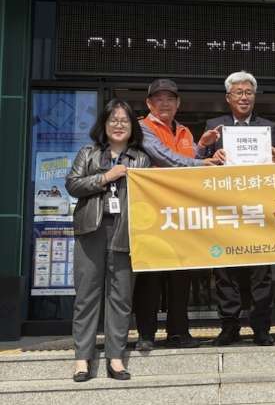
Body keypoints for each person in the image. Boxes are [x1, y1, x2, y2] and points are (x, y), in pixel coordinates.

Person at [65, 99, 152, 382]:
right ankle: (82, 359)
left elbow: (148, 198)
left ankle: (115, 358)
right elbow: (73, 185)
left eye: (124, 120)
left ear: (132, 126)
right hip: (91, 230)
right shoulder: (88, 153)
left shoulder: (141, 159)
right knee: (87, 295)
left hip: (126, 232)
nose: (118, 125)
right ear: (103, 124)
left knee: (121, 297)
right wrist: (105, 178)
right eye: (113, 120)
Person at [134, 79, 221, 351]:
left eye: (170, 98)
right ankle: (146, 334)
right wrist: (200, 162)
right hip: (153, 211)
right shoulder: (142, 127)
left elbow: (186, 160)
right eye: (158, 99)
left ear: (178, 103)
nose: (165, 103)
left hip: (181, 212)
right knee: (150, 275)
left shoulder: (184, 131)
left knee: (181, 274)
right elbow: (164, 158)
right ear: (149, 104)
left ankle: (178, 332)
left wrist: (201, 147)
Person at [199, 71, 275, 347]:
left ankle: (262, 327)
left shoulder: (268, 127)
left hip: (259, 207)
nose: (244, 97)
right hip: (225, 207)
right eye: (238, 93)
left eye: (248, 93)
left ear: (254, 97)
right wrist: (211, 154)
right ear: (228, 98)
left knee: (261, 271)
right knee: (225, 269)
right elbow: (200, 163)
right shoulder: (214, 126)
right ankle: (229, 326)